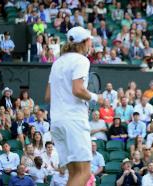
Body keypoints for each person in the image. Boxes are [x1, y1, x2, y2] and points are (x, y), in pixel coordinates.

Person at [45, 26, 104, 186]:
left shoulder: (57, 63)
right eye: (89, 41)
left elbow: (48, 96)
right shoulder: (81, 60)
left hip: (57, 124)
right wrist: (96, 98)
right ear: (84, 42)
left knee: (74, 174)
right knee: (84, 173)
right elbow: (78, 89)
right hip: (74, 122)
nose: (91, 44)